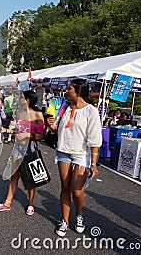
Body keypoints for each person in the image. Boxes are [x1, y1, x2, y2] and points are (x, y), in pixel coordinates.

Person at [47, 78, 102, 237]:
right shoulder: (64, 107)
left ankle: (78, 215)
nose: (66, 91)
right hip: (63, 151)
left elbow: (95, 139)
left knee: (77, 191)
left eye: (69, 89)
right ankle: (64, 221)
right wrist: (51, 125)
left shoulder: (91, 111)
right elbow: (57, 129)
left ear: (78, 91)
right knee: (65, 187)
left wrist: (93, 163)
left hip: (81, 155)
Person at [0, 90, 45, 215]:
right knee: (14, 176)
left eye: (21, 98)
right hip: (18, 148)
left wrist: (29, 136)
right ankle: (7, 203)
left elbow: (42, 135)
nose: (19, 100)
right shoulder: (20, 113)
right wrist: (6, 130)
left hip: (31, 149)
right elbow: (18, 131)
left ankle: (31, 203)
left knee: (31, 177)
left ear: (27, 100)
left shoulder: (38, 115)